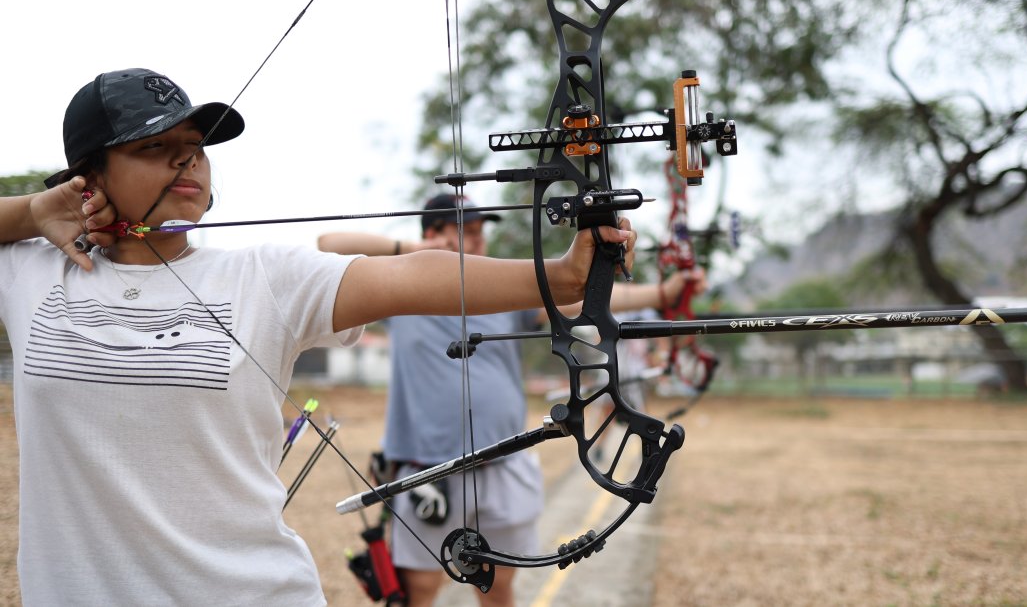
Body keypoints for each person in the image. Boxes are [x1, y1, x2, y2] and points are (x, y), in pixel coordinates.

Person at [0, 68, 637, 606]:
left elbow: (415, 274)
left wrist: (561, 274)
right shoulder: (29, 267)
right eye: (152, 146)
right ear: (86, 173)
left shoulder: (262, 277)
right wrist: (31, 210)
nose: (187, 158)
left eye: (195, 143)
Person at [318, 198, 703, 607]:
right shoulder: (396, 292)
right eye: (465, 230)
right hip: (427, 472)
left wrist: (665, 292)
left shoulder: (499, 296)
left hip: (506, 463)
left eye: (480, 232)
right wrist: (415, 254)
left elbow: (589, 303)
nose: (477, 240)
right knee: (420, 592)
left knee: (499, 588)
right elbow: (327, 245)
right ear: (431, 233)